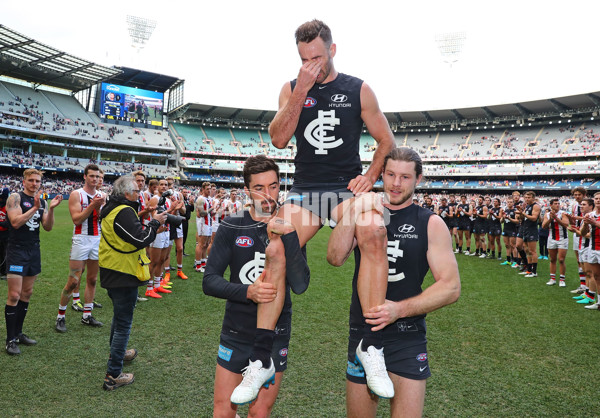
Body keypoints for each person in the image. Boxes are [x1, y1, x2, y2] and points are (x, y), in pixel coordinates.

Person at [231, 19, 396, 403]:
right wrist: (301, 89)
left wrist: (371, 176)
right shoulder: (292, 88)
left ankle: (371, 347)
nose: (311, 65)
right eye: (304, 59)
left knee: (374, 231)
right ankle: (261, 358)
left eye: (317, 58)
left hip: (344, 190)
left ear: (333, 50)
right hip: (305, 191)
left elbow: (385, 140)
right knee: (274, 248)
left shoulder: (359, 89)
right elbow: (278, 138)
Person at [328, 147, 460, 417]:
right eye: (390, 175)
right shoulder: (366, 212)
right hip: (364, 332)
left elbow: (450, 287)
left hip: (407, 333)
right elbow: (335, 257)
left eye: (405, 177)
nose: (396, 183)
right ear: (382, 175)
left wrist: (398, 310)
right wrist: (355, 208)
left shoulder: (430, 223)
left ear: (418, 179)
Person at [203, 155, 304, 415]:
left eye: (273, 186)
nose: (268, 195)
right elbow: (209, 281)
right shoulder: (232, 225)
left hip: (275, 333)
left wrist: (290, 237)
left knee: (259, 412)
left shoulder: (289, 227)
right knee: (223, 409)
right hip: (236, 331)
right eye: (259, 188)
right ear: (248, 190)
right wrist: (248, 291)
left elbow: (301, 284)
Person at [99, 175, 166, 390]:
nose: (139, 194)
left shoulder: (112, 208)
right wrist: (155, 223)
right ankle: (114, 374)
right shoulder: (124, 211)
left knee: (119, 318)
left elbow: (132, 236)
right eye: (137, 191)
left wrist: (152, 228)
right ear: (127, 193)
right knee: (124, 323)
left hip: (114, 268)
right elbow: (140, 239)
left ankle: (116, 353)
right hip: (122, 272)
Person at [5, 168, 62, 355]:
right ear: (24, 181)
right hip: (17, 250)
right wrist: (35, 208)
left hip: (33, 250)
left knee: (27, 293)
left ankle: (19, 333)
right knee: (14, 294)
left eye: (37, 181)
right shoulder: (15, 198)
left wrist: (50, 209)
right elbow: (15, 222)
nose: (35, 184)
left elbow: (47, 227)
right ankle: (10, 339)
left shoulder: (43, 201)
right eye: (31, 180)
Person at [55, 164, 105, 333]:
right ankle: (60, 316)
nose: (95, 179)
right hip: (81, 239)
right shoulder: (77, 194)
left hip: (97, 240)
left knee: (92, 279)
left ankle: (87, 315)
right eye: (92, 176)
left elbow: (102, 220)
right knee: (73, 281)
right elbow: (77, 220)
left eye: (97, 177)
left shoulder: (102, 195)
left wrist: (99, 206)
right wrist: (93, 205)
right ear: (85, 177)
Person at [542, 198, 569, 287]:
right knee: (552, 259)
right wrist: (551, 219)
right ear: (551, 205)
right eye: (555, 203)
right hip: (552, 238)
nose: (557, 205)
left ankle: (562, 279)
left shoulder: (563, 214)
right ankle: (552, 278)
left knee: (561, 259)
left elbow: (566, 225)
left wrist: (556, 218)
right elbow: (544, 226)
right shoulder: (547, 214)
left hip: (563, 238)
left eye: (558, 203)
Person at [515, 191, 541, 277]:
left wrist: (523, 213)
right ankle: (529, 270)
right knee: (527, 250)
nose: (527, 199)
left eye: (529, 197)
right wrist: (520, 212)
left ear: (533, 198)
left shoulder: (535, 206)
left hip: (532, 230)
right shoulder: (527, 206)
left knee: (532, 251)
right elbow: (522, 218)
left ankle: (534, 271)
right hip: (525, 229)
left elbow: (534, 218)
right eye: (525, 197)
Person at [569, 187, 588, 294]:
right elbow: (574, 220)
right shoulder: (574, 205)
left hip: (586, 234)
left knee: (587, 261)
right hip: (577, 234)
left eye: (579, 195)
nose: (576, 196)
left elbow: (588, 218)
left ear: (584, 195)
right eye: (575, 195)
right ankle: (583, 285)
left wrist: (575, 218)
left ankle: (589, 288)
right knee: (579, 260)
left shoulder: (589, 205)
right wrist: (571, 219)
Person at [195, 182, 213, 273]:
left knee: (206, 244)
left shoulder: (209, 198)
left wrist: (216, 209)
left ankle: (203, 263)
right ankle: (198, 265)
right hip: (203, 223)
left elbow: (210, 213)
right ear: (203, 189)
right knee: (201, 244)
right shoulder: (200, 199)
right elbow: (201, 214)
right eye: (207, 189)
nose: (209, 190)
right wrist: (211, 209)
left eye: (210, 188)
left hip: (209, 222)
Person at [0, 187, 9, 278]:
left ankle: (7, 272)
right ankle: (1, 271)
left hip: (7, 234)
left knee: (6, 253)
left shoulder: (8, 207)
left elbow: (8, 223)